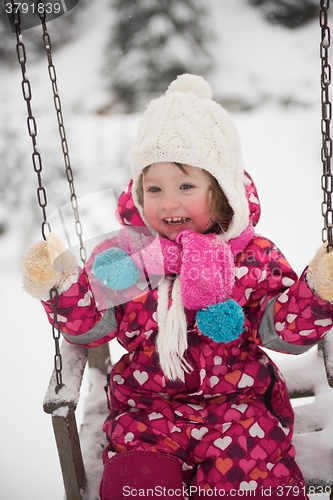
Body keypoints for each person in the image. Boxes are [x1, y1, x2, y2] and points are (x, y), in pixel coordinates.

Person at [22, 74, 333, 500]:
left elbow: (284, 333)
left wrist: (318, 292)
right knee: (137, 485)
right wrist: (59, 287)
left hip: (239, 409)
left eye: (186, 186)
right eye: (154, 188)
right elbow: (89, 325)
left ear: (222, 192)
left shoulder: (252, 256)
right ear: (137, 193)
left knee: (253, 479)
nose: (168, 202)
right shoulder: (124, 258)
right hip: (144, 409)